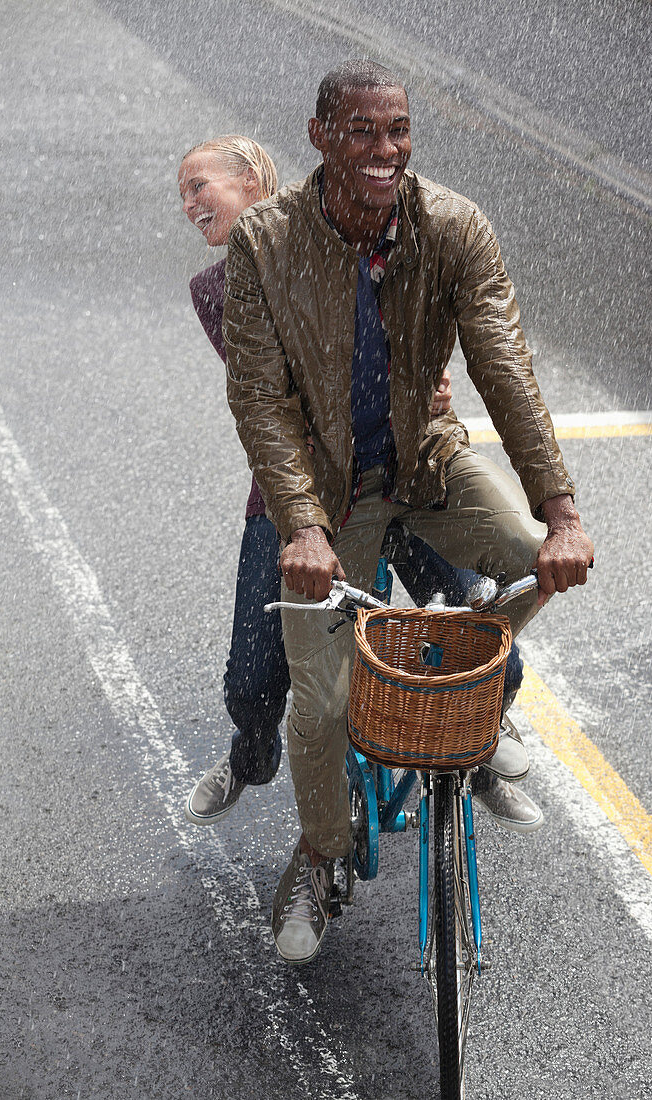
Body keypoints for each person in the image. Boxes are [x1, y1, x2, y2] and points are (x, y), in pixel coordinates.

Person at [222, 60, 594, 965]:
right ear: (318, 135)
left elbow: (504, 370)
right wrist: (301, 528)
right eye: (361, 131)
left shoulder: (455, 226)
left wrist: (561, 511)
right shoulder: (263, 241)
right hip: (322, 496)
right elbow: (259, 401)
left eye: (397, 131)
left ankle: (477, 702)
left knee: (527, 558)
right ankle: (318, 855)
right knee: (316, 706)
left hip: (425, 467)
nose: (384, 150)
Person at [177, 133, 533, 834]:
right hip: (302, 500)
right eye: (182, 196)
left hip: (402, 474)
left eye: (198, 186)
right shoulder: (217, 288)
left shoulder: (350, 245)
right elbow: (279, 399)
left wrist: (427, 376)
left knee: (481, 629)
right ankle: (250, 758)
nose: (188, 205)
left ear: (251, 180)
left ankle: (477, 752)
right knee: (254, 680)